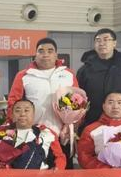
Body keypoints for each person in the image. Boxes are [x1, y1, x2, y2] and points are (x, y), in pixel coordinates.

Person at [6, 37, 78, 167]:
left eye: (50, 51)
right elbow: (13, 104)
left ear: (56, 54)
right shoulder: (24, 75)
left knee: (64, 174)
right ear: (35, 54)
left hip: (63, 136)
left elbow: (77, 103)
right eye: (41, 51)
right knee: (35, 175)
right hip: (35, 138)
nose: (45, 54)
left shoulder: (68, 74)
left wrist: (73, 125)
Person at [77, 28, 121, 132]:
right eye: (98, 40)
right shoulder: (85, 70)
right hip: (93, 124)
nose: (101, 43)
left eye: (106, 39)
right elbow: (79, 99)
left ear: (114, 43)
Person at [0, 98, 66, 170]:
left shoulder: (47, 133)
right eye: (18, 110)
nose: (22, 114)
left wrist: (57, 168)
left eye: (26, 110)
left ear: (33, 114)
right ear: (12, 115)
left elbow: (60, 157)